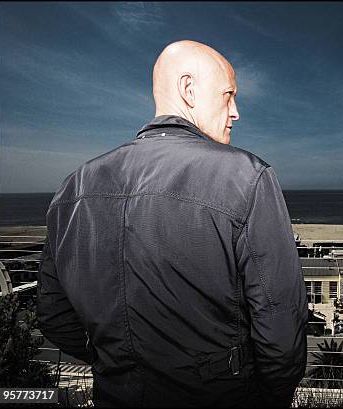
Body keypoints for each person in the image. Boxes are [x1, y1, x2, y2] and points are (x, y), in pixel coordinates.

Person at [37, 40, 308, 408]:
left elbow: (54, 316)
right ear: (188, 89)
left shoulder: (73, 188)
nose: (236, 112)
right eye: (228, 95)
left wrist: (117, 360)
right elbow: (281, 328)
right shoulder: (247, 177)